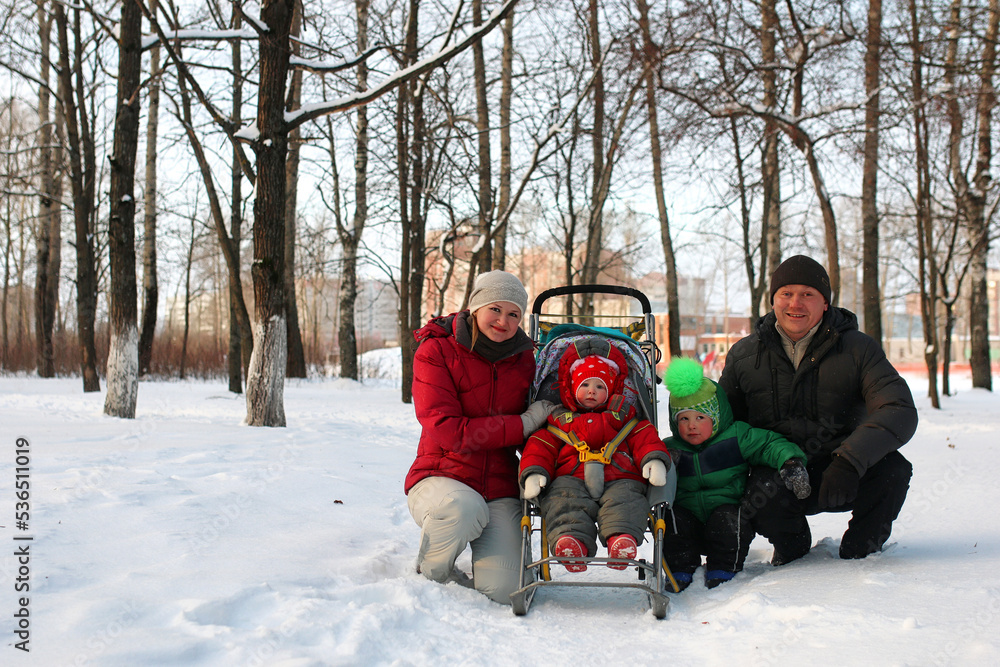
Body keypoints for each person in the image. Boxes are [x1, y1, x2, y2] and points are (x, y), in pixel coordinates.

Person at [718, 255, 918, 565]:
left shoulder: (859, 349)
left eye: (807, 294)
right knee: (760, 492)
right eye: (786, 293)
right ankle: (792, 546)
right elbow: (724, 427)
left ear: (825, 303)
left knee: (893, 470)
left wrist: (850, 460)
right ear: (773, 300)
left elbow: (898, 408)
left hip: (844, 469)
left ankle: (862, 551)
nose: (795, 303)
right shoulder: (744, 355)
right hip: (780, 471)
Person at [405, 270, 555, 604]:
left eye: (514, 314)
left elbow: (532, 434)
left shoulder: (525, 360)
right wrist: (523, 423)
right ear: (476, 307)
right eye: (495, 309)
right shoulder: (436, 350)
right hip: (442, 477)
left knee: (509, 591)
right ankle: (431, 571)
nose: (503, 321)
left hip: (499, 487)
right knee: (462, 508)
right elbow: (448, 430)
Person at [519, 343, 672, 572]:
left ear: (612, 390)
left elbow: (644, 437)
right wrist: (535, 471)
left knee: (626, 500)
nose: (592, 391)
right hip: (570, 478)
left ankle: (621, 539)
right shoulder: (559, 420)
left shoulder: (624, 418)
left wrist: (653, 459)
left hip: (620, 476)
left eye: (600, 386)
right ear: (572, 387)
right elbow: (540, 446)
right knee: (564, 501)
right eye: (585, 385)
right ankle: (572, 542)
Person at [661, 357, 811, 591]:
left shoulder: (735, 437)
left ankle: (723, 568)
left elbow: (767, 444)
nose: (692, 426)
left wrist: (789, 461)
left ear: (716, 417)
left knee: (730, 520)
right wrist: (662, 462)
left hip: (726, 515)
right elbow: (648, 460)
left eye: (700, 417)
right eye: (684, 419)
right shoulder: (671, 448)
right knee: (671, 519)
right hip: (689, 518)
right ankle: (680, 569)